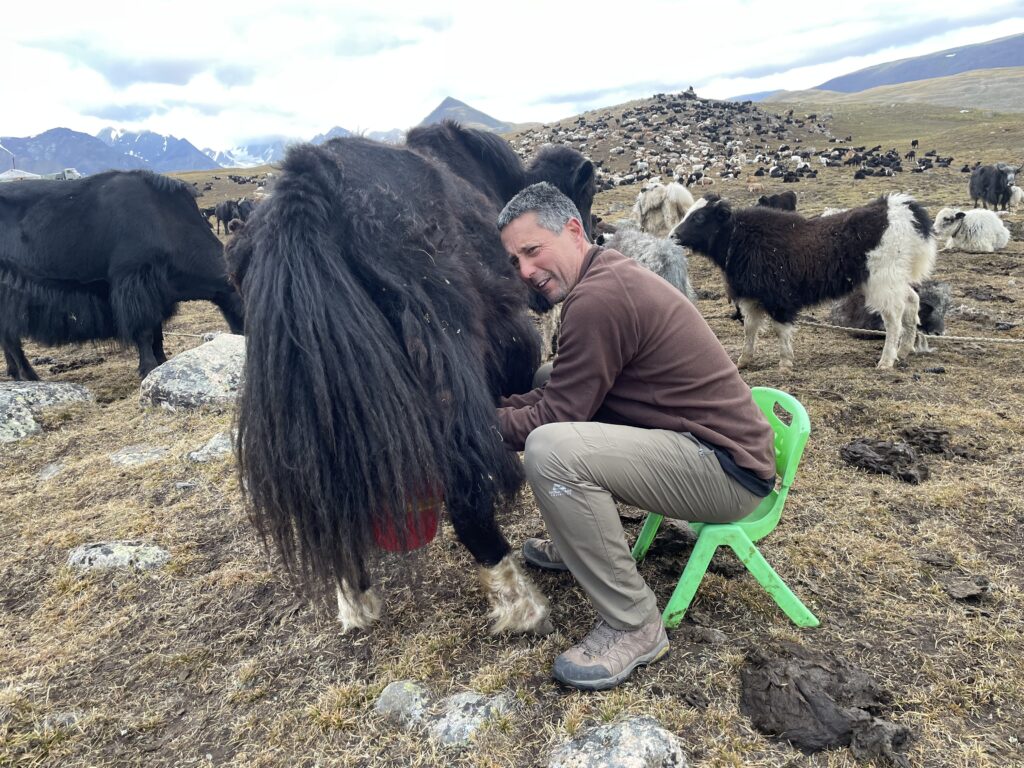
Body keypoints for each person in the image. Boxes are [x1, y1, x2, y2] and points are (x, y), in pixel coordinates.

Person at [495, 182, 777, 691]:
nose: (526, 273)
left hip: (726, 471)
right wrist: (490, 411)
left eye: (533, 251)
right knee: (545, 381)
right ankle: (577, 543)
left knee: (550, 450)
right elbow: (557, 392)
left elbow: (554, 417)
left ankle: (634, 624)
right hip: (702, 446)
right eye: (515, 261)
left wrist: (472, 426)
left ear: (574, 230)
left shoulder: (600, 299)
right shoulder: (605, 276)